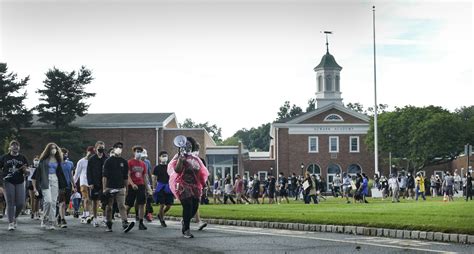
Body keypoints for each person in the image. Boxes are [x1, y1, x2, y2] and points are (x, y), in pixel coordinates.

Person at [168, 136, 209, 238]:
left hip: (195, 186)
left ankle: (185, 221)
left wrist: (204, 185)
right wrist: (180, 160)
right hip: (182, 184)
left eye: (190, 143)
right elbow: (177, 170)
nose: (189, 145)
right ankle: (186, 230)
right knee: (188, 205)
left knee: (194, 207)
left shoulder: (196, 159)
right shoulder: (178, 157)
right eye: (186, 143)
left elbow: (201, 173)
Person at [32, 143, 67, 230]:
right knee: (48, 201)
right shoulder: (43, 160)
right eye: (52, 148)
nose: (53, 150)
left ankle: (52, 222)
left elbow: (61, 174)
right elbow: (36, 175)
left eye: (55, 148)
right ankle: (44, 218)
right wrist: (35, 187)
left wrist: (63, 186)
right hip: (45, 180)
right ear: (48, 149)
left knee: (54, 202)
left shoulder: (58, 160)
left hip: (55, 180)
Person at [102, 142, 135, 233]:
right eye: (117, 147)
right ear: (114, 148)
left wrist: (126, 188)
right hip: (110, 186)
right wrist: (104, 188)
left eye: (121, 147)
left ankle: (125, 222)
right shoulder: (108, 161)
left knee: (122, 205)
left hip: (120, 187)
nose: (119, 149)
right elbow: (104, 176)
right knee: (109, 207)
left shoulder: (124, 162)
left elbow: (125, 176)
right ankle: (109, 223)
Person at [0, 140, 29, 231]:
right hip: (7, 181)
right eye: (13, 145)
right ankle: (11, 223)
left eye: (17, 145)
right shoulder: (4, 157)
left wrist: (26, 171)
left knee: (21, 203)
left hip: (20, 181)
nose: (15, 146)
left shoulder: (22, 158)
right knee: (10, 202)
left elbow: (27, 171)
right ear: (9, 147)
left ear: (19, 147)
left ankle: (15, 217)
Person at [126, 145, 153, 230]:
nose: (139, 153)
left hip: (141, 185)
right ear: (134, 152)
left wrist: (148, 188)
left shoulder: (143, 164)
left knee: (142, 204)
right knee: (129, 204)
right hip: (132, 185)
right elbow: (128, 175)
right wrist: (132, 184)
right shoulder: (130, 162)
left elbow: (145, 176)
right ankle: (124, 220)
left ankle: (141, 222)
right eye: (137, 151)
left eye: (140, 151)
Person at [87, 141, 107, 227]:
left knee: (105, 202)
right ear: (95, 148)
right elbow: (89, 172)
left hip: (104, 183)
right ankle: (95, 218)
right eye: (99, 147)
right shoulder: (92, 159)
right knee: (95, 201)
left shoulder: (106, 159)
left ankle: (105, 218)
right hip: (94, 183)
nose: (101, 149)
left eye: (102, 147)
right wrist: (90, 182)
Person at [152, 151, 174, 227]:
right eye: (163, 156)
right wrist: (154, 188)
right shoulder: (157, 168)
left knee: (169, 205)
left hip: (168, 187)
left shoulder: (169, 167)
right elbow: (154, 178)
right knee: (162, 204)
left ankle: (160, 214)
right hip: (161, 187)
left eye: (166, 156)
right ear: (160, 157)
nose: (165, 157)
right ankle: (162, 220)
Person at [73, 146, 94, 222]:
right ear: (87, 151)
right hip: (83, 182)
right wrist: (73, 184)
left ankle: (85, 215)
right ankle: (88, 215)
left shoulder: (93, 161)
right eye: (90, 152)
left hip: (91, 183)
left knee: (91, 200)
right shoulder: (81, 161)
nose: (91, 154)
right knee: (86, 198)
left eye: (92, 153)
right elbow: (77, 173)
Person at [57, 148, 75, 228]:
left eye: (65, 153)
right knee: (62, 203)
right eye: (62, 153)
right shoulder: (57, 164)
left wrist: (74, 185)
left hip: (68, 185)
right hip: (60, 185)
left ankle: (59, 216)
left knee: (66, 204)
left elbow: (71, 175)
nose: (64, 155)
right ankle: (63, 219)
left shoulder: (70, 163)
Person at [139, 149, 154, 222]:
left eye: (144, 157)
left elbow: (149, 173)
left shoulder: (147, 162)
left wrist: (151, 184)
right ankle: (138, 215)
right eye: (143, 157)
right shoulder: (137, 162)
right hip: (140, 183)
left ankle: (148, 214)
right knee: (141, 200)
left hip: (147, 182)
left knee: (149, 198)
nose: (144, 158)